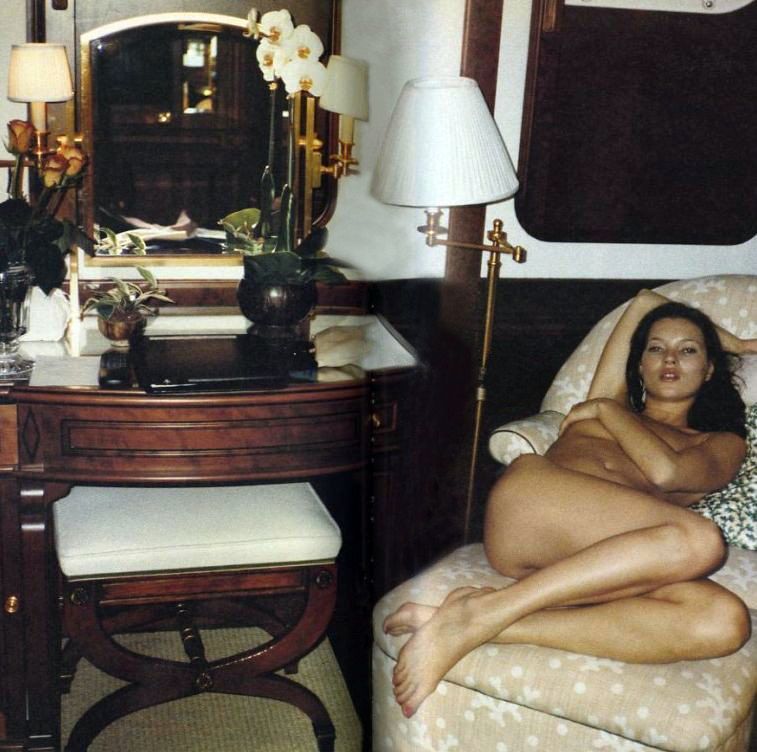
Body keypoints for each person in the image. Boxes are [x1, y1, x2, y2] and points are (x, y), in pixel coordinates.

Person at [384, 289, 757, 719]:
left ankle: (484, 621)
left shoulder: (719, 442)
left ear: (710, 369)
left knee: (724, 620)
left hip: (602, 560)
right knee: (701, 542)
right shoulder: (610, 396)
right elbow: (642, 302)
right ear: (639, 365)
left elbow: (667, 473)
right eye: (656, 349)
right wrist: (736, 342)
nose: (670, 359)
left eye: (688, 350)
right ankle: (484, 612)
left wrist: (604, 410)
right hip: (530, 508)